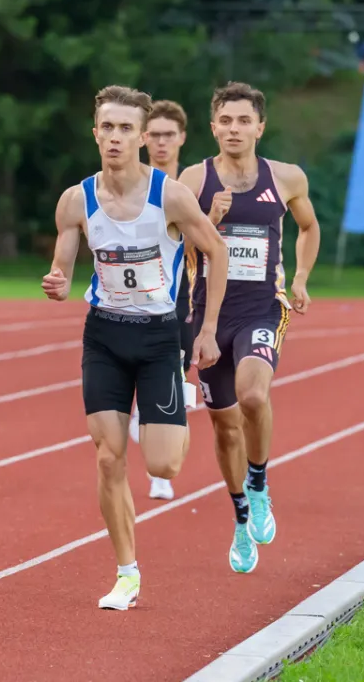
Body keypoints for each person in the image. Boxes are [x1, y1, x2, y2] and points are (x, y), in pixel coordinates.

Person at [42, 85, 228, 611]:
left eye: (126, 129)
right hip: (103, 334)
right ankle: (127, 573)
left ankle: (167, 404)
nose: (116, 137)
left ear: (143, 137)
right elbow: (63, 262)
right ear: (94, 131)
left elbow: (215, 253)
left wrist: (208, 329)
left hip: (158, 337)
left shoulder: (169, 196)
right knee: (108, 458)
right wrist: (57, 281)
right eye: (108, 127)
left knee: (165, 465)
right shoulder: (76, 199)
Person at [179, 81, 320, 574]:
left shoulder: (285, 178)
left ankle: (259, 484)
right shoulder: (193, 180)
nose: (234, 129)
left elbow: (308, 226)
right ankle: (241, 519)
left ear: (260, 126)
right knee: (224, 425)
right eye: (226, 120)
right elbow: (174, 240)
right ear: (212, 126)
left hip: (263, 307)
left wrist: (300, 277)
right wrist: (203, 220)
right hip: (208, 315)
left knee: (254, 396)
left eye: (244, 120)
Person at [129, 99, 193, 501]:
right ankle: (141, 418)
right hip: (134, 297)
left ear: (182, 138)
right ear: (143, 137)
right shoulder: (132, 185)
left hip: (181, 300)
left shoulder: (194, 187)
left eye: (168, 135)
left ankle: (161, 474)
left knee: (176, 386)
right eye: (153, 134)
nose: (160, 142)